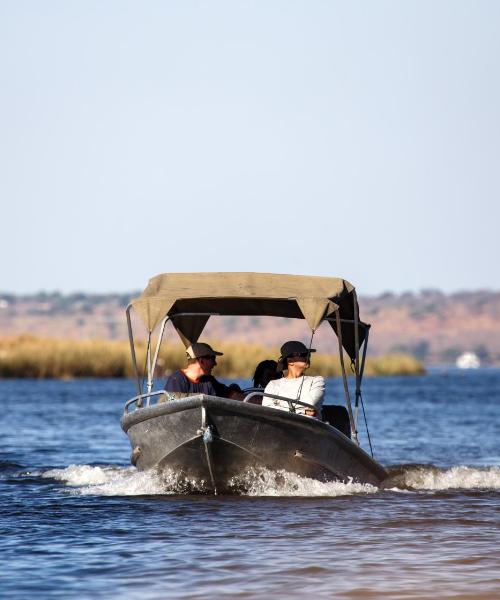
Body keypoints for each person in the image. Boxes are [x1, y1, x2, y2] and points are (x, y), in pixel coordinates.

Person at [262, 341, 325, 417]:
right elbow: (267, 410)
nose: (308, 357)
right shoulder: (273, 384)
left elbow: (311, 406)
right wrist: (303, 411)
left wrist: (280, 406)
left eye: (309, 354)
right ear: (290, 361)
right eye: (303, 354)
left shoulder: (317, 381)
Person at [164, 342, 243, 399]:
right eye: (213, 359)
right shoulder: (177, 379)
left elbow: (230, 394)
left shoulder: (209, 381)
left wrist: (251, 399)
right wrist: (201, 398)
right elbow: (171, 402)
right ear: (201, 361)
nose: (215, 364)